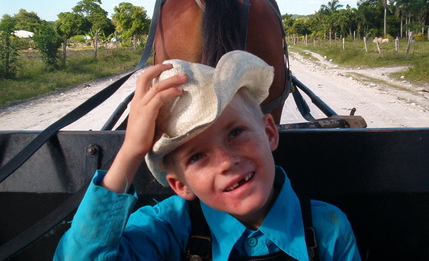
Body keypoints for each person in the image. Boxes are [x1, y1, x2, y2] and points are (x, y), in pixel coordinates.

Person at [54, 50, 361, 260]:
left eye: (236, 133)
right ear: (180, 185)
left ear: (269, 131)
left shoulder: (328, 228)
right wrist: (131, 151)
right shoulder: (168, 229)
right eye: (197, 157)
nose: (227, 162)